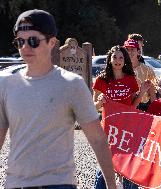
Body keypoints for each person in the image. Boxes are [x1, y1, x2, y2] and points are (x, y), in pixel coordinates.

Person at [0, 9, 116, 189]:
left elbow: (98, 140)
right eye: (20, 42)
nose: (25, 47)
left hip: (58, 184)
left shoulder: (71, 84)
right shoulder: (6, 84)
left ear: (52, 42)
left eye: (33, 41)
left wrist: (111, 185)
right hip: (16, 184)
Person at [92, 45, 150, 189]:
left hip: (126, 129)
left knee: (128, 166)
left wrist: (142, 92)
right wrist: (99, 102)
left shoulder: (131, 80)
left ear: (125, 60)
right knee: (106, 166)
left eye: (121, 57)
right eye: (115, 57)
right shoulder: (101, 80)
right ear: (109, 60)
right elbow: (92, 108)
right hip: (108, 130)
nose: (118, 60)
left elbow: (132, 107)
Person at [124, 39, 156, 111]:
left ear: (138, 52)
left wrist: (155, 109)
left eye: (132, 49)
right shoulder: (120, 69)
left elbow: (152, 91)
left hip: (143, 106)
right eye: (127, 50)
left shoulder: (147, 70)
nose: (129, 52)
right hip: (125, 105)